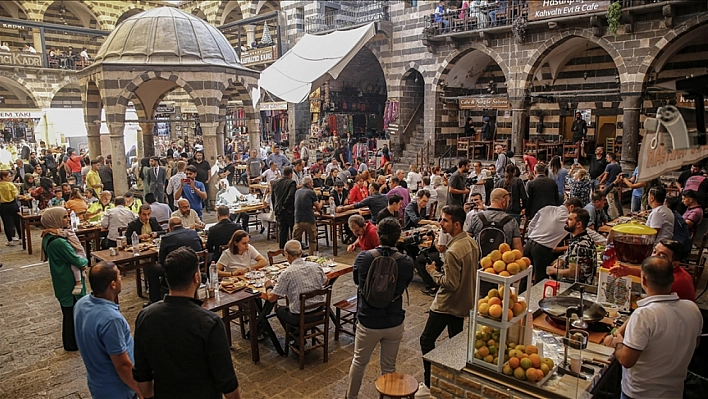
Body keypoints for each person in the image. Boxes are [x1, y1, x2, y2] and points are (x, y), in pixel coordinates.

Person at [133, 247, 242, 399]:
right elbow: (226, 378)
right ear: (196, 278)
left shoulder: (145, 317)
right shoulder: (209, 322)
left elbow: (142, 372)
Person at [604, 256, 701, 399]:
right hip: (674, 392)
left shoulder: (644, 315)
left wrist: (617, 342)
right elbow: (695, 344)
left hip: (640, 394)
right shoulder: (692, 308)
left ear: (643, 280)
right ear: (672, 279)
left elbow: (626, 360)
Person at [345, 218, 414, 399]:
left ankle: (350, 396)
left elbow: (356, 281)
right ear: (398, 237)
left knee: (359, 362)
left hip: (368, 320)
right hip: (393, 319)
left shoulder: (364, 257)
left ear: (378, 235)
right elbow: (404, 285)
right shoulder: (406, 262)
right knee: (389, 366)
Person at [418, 205, 479, 396]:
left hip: (446, 304)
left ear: (457, 224)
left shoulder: (453, 251)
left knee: (426, 340)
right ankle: (455, 379)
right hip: (463, 301)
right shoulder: (471, 242)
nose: (441, 223)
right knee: (455, 341)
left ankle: (428, 383)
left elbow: (450, 284)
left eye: (445, 220)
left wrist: (433, 273)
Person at [74, 262, 141, 399]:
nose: (121, 279)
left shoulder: (82, 304)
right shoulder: (111, 320)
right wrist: (139, 390)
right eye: (119, 276)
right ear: (113, 284)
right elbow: (122, 365)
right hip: (118, 389)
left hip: (97, 383)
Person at [41, 207, 88, 351]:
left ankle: (72, 341)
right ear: (55, 220)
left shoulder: (48, 237)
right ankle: (72, 343)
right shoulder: (59, 243)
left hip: (60, 280)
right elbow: (76, 260)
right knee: (71, 314)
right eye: (64, 217)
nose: (67, 219)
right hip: (68, 281)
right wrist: (84, 262)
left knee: (68, 313)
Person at [263, 240, 327, 341]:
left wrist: (268, 286)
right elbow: (325, 282)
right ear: (301, 253)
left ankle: (296, 337)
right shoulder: (315, 266)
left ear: (286, 254)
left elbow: (271, 299)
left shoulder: (287, 274)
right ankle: (299, 336)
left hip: (300, 317)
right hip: (320, 311)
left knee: (279, 310)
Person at [611, 239, 695, 301]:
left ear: (675, 264)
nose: (654, 257)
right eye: (654, 252)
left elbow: (652, 305)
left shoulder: (671, 282)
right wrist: (629, 271)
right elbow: (652, 272)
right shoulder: (666, 272)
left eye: (662, 256)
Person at [144, 217, 203, 304]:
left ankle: (154, 299)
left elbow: (161, 260)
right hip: (194, 265)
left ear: (170, 227)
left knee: (151, 269)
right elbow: (201, 248)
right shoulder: (193, 233)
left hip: (176, 269)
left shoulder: (166, 238)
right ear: (182, 225)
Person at [524, 198, 583, 282]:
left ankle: (520, 294)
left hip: (529, 244)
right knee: (541, 279)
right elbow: (582, 230)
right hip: (542, 249)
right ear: (572, 207)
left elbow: (531, 224)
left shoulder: (547, 208)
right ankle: (538, 295)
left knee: (524, 275)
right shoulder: (567, 218)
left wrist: (533, 236)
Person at [546, 208, 596, 284]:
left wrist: (554, 271)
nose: (566, 221)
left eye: (570, 219)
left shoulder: (579, 245)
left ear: (578, 224)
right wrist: (561, 261)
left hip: (576, 288)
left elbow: (573, 273)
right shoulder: (585, 239)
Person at [293, 176, 322, 252]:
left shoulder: (297, 192)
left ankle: (295, 256)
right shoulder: (311, 192)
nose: (313, 184)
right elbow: (318, 206)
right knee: (312, 240)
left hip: (298, 219)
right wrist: (322, 201)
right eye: (312, 182)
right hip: (309, 219)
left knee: (295, 240)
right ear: (309, 183)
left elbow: (303, 204)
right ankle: (311, 257)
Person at [272, 166, 297, 249]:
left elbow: (273, 197)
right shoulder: (291, 183)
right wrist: (285, 205)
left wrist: (275, 207)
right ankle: (293, 248)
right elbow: (291, 195)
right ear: (290, 174)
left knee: (282, 230)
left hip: (279, 210)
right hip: (289, 209)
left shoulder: (275, 183)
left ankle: (282, 248)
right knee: (292, 229)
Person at [0, 170, 22, 245]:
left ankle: (10, 240)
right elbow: (15, 195)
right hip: (12, 204)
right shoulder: (10, 184)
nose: (10, 177)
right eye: (9, 176)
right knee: (17, 221)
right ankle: (21, 238)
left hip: (3, 205)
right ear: (4, 177)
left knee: (6, 223)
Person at [600, 152, 623, 219]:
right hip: (616, 185)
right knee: (617, 201)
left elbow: (605, 176)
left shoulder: (609, 166)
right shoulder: (618, 166)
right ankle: (620, 213)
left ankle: (614, 217)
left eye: (607, 157)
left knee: (611, 203)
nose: (606, 159)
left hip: (609, 185)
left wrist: (601, 182)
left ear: (611, 158)